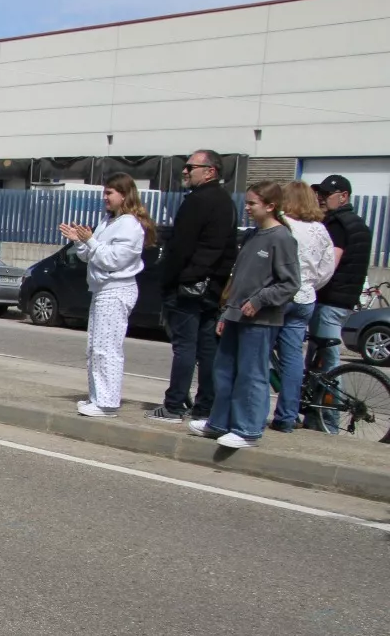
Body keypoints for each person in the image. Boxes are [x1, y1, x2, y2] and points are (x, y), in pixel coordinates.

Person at [189, 181, 299, 449]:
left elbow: (290, 283)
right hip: (236, 316)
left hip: (259, 320)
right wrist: (227, 312)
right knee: (224, 370)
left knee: (251, 374)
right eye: (247, 202)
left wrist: (260, 300)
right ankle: (220, 422)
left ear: (271, 206)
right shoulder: (252, 235)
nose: (247, 208)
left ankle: (247, 429)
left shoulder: (282, 238)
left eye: (253, 203)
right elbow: (238, 279)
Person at [148, 150, 238, 423]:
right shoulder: (226, 202)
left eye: (191, 167)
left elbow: (182, 248)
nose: (185, 172)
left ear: (209, 171)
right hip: (212, 288)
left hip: (191, 287)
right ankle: (205, 405)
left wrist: (170, 280)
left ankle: (174, 405)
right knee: (207, 348)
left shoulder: (199, 201)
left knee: (185, 347)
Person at [60, 174, 154, 418]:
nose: (105, 197)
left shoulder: (130, 225)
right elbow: (91, 256)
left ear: (124, 195)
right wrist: (79, 242)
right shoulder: (108, 222)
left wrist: (90, 241)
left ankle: (108, 402)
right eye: (105, 192)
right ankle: (97, 397)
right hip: (101, 289)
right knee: (94, 346)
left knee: (107, 347)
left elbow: (114, 259)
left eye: (110, 193)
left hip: (117, 289)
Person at [271, 180, 336, 432]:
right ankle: (287, 416)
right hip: (306, 296)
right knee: (293, 359)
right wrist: (310, 285)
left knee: (256, 349)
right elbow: (326, 269)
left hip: (279, 296)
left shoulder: (283, 226)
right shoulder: (320, 230)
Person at [308, 174, 373, 396]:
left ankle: (329, 417)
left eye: (327, 194)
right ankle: (316, 414)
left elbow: (329, 265)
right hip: (344, 300)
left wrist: (308, 285)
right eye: (320, 194)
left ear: (343, 196)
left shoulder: (337, 224)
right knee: (322, 359)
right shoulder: (357, 223)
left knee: (327, 361)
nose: (321, 199)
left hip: (330, 299)